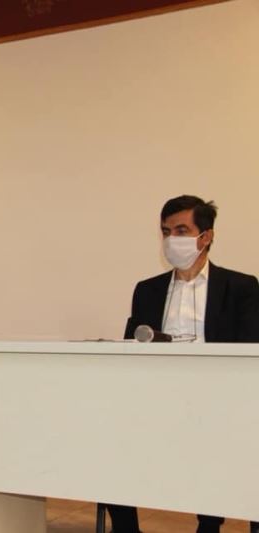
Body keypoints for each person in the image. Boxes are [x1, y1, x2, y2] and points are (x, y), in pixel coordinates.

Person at [107, 195, 259, 533]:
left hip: (217, 400)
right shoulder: (147, 290)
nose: (171, 239)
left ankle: (209, 524)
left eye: (180, 230)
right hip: (156, 397)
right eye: (165, 232)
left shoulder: (241, 287)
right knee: (109, 434)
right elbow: (131, 349)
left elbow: (249, 352)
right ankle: (126, 528)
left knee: (222, 440)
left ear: (206, 237)